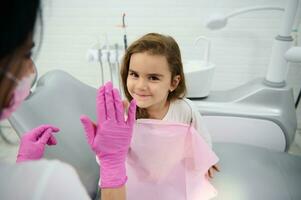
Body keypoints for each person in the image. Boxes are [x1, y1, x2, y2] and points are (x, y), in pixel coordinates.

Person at [0, 0, 134, 199]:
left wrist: (23, 169)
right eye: (26, 53)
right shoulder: (53, 183)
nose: (31, 69)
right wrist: (113, 165)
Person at [120, 33, 220, 178]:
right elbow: (112, 158)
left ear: (173, 83)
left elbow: (202, 138)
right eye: (134, 74)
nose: (140, 86)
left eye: (153, 78)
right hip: (139, 177)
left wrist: (206, 161)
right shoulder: (124, 114)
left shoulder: (185, 110)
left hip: (173, 174)